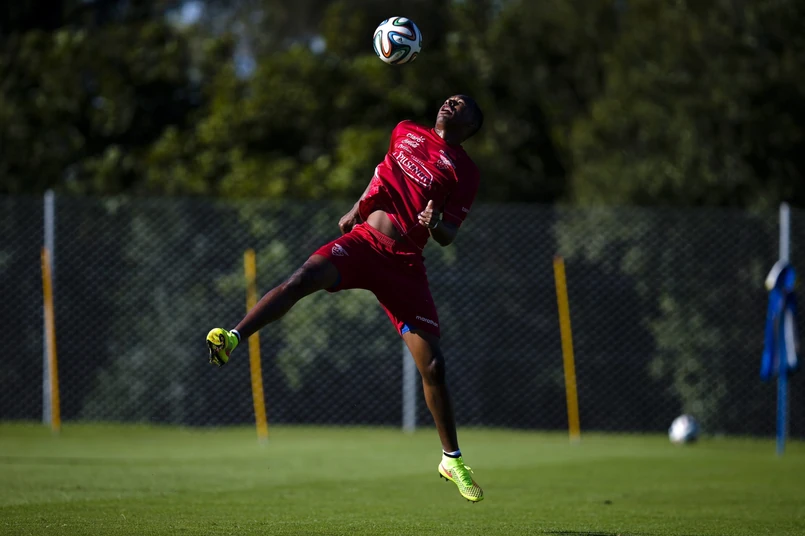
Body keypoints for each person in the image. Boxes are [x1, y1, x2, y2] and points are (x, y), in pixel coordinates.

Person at [206, 95, 485, 503]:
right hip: (363, 244)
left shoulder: (465, 170)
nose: (450, 104)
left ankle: (451, 459)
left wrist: (436, 222)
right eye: (449, 100)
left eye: (461, 105)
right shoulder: (406, 130)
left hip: (404, 265)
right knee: (302, 278)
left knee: (434, 366)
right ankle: (232, 337)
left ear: (471, 125)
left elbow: (449, 235)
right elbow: (381, 173)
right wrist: (358, 206)